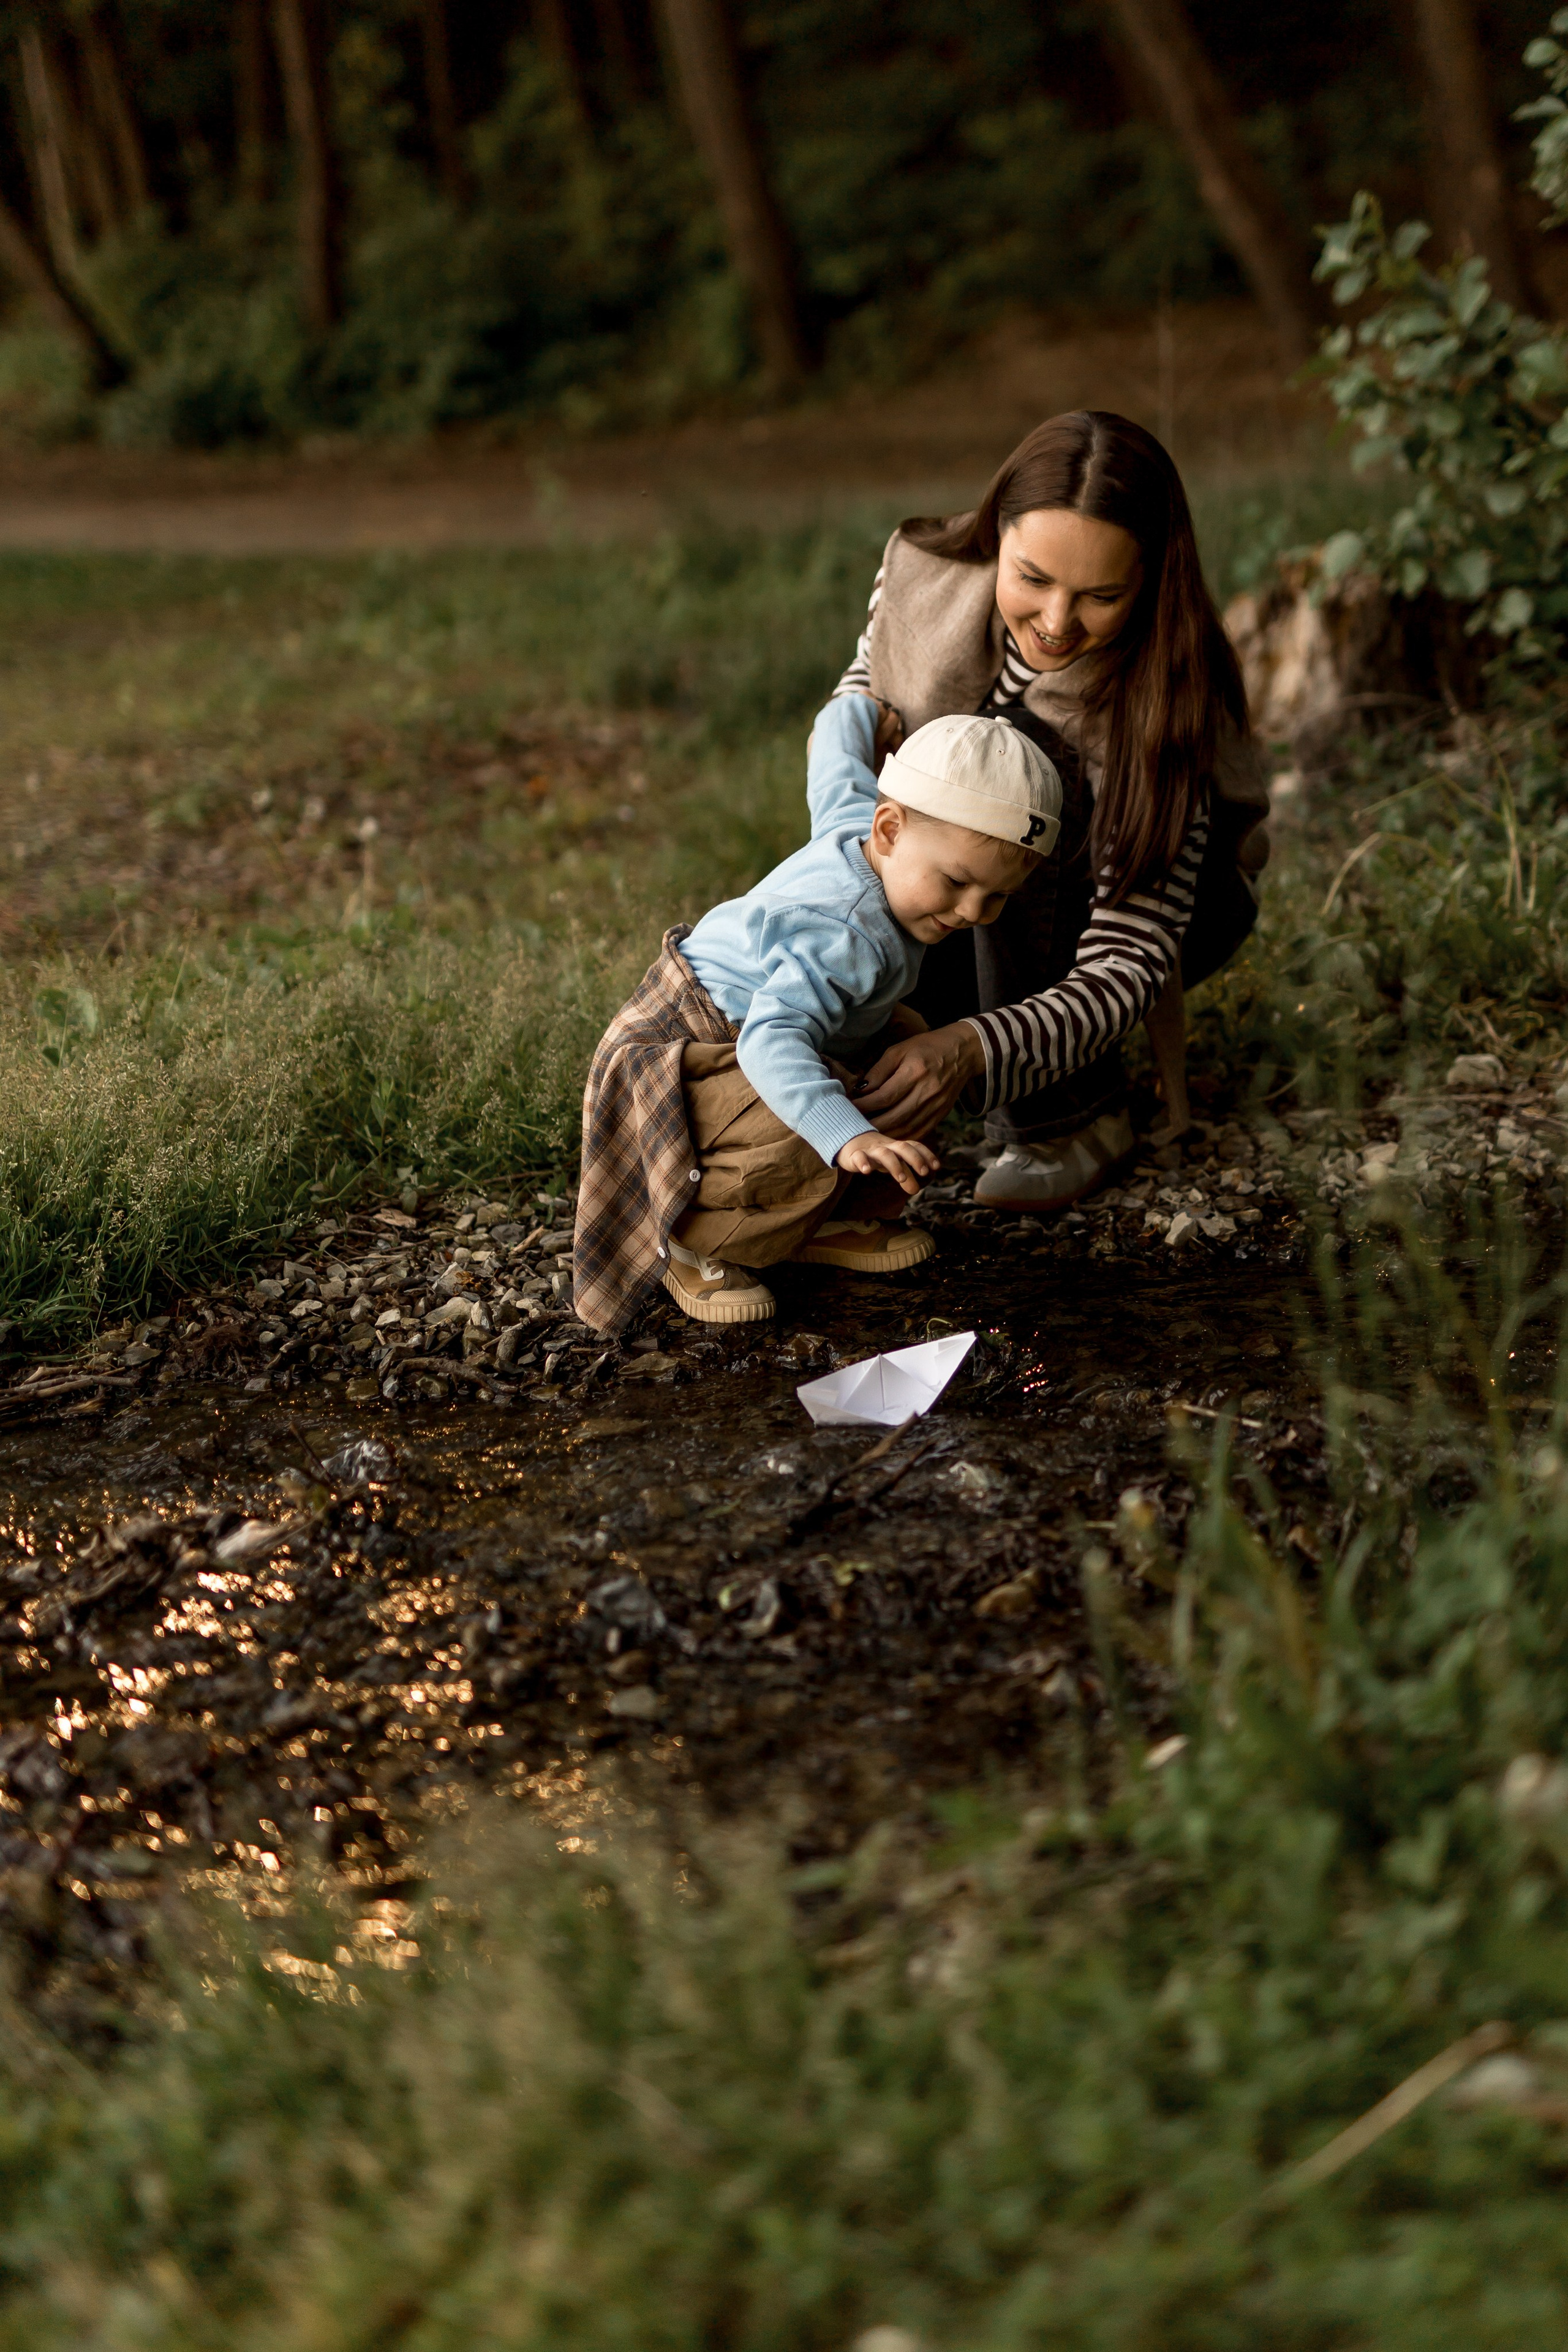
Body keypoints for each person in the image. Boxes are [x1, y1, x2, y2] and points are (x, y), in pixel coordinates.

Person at [833, 407, 1270, 1209]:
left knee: (1017, 777)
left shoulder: (1168, 701)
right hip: (965, 885)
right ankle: (945, 1037)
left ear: (1150, 581)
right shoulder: (923, 574)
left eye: (1101, 595)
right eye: (1032, 579)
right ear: (998, 533)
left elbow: (1127, 961)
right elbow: (864, 699)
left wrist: (969, 1049)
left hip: (1152, 910)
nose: (1058, 623)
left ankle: (1072, 1116)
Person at [573, 696, 1060, 1333]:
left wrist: (856, 710)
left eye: (995, 896)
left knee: (913, 1050)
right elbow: (772, 1044)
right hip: (692, 1044)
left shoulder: (860, 822)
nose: (971, 911)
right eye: (955, 882)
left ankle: (813, 1219)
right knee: (801, 1117)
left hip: (776, 1027)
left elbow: (832, 759)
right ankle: (694, 1239)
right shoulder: (848, 932)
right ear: (889, 830)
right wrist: (847, 1135)